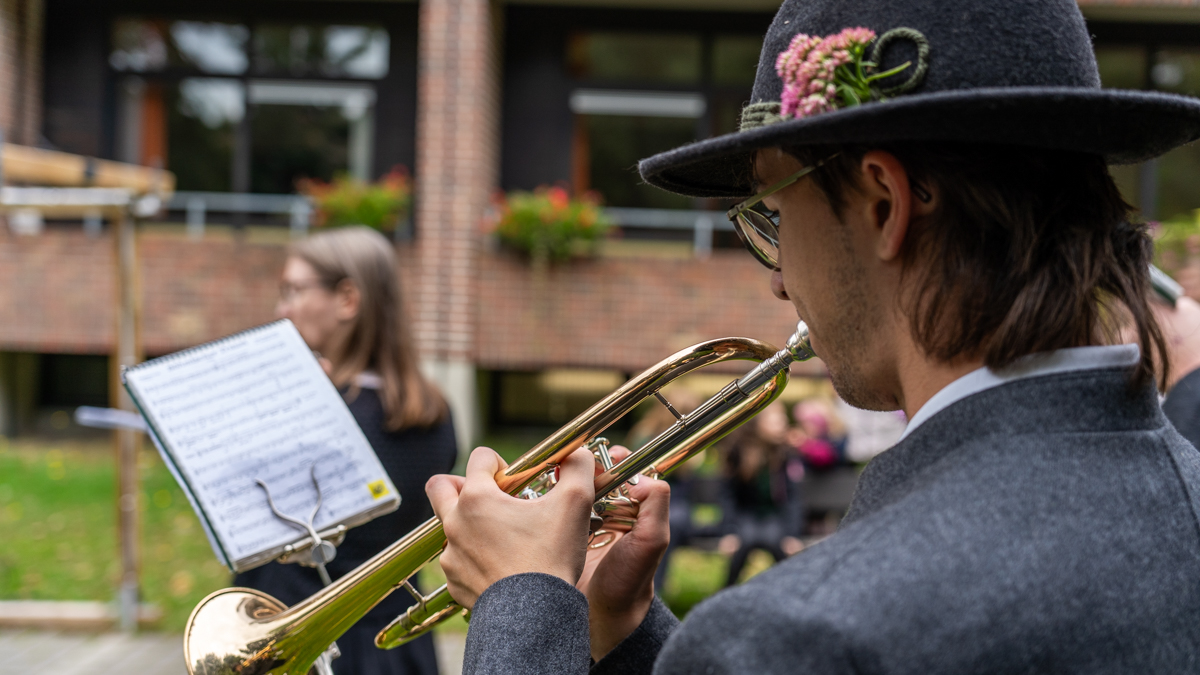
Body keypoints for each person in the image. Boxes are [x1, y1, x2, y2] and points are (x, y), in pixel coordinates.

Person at [426, 0, 1200, 672]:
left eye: (773, 213)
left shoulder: (806, 631)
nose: (779, 281)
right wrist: (620, 629)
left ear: (882, 203)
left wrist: (519, 605)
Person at [235, 227, 456, 675]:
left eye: (294, 290)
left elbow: (254, 534)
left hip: (305, 650)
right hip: (397, 650)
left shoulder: (314, 413)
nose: (282, 309)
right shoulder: (435, 411)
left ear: (347, 300)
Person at [717, 403, 804, 587]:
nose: (783, 423)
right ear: (757, 423)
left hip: (774, 517)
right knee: (746, 538)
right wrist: (729, 531)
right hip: (744, 516)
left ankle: (790, 588)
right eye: (776, 420)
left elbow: (792, 498)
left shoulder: (786, 455)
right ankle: (728, 590)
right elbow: (728, 497)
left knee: (773, 538)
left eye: (783, 419)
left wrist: (792, 534)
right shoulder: (739, 453)